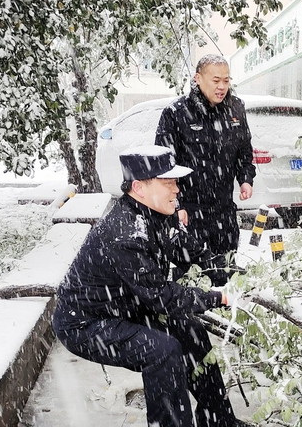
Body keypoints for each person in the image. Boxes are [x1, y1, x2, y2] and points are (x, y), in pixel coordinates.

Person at [53, 145, 247, 427]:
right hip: (85, 324)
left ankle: (218, 420)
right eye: (168, 182)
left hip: (123, 306)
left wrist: (230, 273)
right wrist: (218, 298)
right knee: (162, 351)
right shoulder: (124, 234)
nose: (176, 189)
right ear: (139, 187)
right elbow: (162, 297)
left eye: (175, 181)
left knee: (190, 331)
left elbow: (186, 247)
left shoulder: (157, 214)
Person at [156, 54, 256, 257]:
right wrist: (177, 207)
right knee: (196, 276)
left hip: (224, 211)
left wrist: (246, 178)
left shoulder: (235, 109)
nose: (222, 87)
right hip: (190, 212)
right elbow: (165, 166)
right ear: (198, 79)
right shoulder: (176, 113)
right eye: (216, 80)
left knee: (226, 270)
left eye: (226, 81)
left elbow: (244, 149)